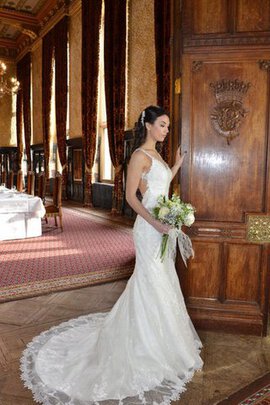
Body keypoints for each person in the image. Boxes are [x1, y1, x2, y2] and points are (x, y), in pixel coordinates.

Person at [21, 105, 203, 405]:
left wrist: (177, 165)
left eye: (168, 126)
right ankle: (145, 345)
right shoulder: (139, 156)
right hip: (148, 230)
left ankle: (161, 342)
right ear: (148, 125)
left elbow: (159, 186)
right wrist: (156, 222)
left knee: (162, 281)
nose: (167, 130)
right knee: (151, 281)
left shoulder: (157, 156)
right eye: (163, 125)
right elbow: (132, 197)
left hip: (161, 227)